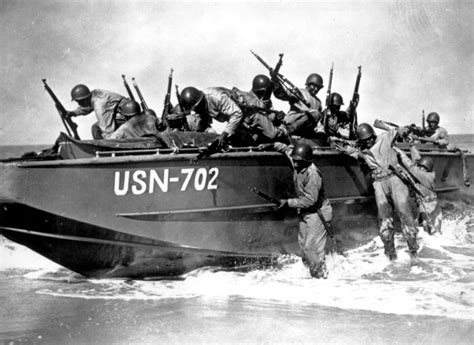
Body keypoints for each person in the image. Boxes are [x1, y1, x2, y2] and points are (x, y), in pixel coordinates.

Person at [334, 122, 419, 264]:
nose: (368, 142)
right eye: (364, 141)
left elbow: (400, 131)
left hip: (395, 179)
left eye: (369, 138)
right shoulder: (362, 150)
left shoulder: (385, 137)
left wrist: (409, 128)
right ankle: (391, 256)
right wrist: (342, 146)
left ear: (373, 135)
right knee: (385, 222)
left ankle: (414, 254)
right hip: (379, 183)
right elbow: (351, 151)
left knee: (406, 216)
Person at [264, 141, 332, 278]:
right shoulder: (297, 161)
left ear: (306, 161)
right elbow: (286, 149)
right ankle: (314, 275)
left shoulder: (313, 174)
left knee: (311, 248)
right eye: (294, 161)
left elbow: (310, 200)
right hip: (306, 212)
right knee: (303, 246)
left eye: (298, 162)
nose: (294, 164)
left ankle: (320, 278)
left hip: (318, 213)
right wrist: (269, 145)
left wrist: (287, 202)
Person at [392, 141, 442, 235]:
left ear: (426, 169)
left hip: (430, 206)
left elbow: (412, 167)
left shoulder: (426, 177)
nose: (420, 168)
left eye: (422, 167)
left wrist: (401, 153)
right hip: (424, 204)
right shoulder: (423, 173)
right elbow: (416, 161)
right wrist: (412, 146)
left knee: (434, 231)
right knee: (425, 226)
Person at [180, 86, 249, 148]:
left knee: (247, 142)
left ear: (199, 103)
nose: (195, 111)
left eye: (195, 109)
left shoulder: (217, 97)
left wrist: (224, 135)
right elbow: (203, 120)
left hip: (250, 112)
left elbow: (237, 113)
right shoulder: (201, 104)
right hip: (239, 119)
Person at [273, 73, 324, 138]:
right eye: (314, 86)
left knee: (316, 114)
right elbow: (283, 95)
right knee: (315, 113)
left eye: (318, 87)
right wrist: (275, 82)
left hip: (305, 129)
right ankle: (286, 130)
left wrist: (321, 133)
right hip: (292, 122)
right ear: (308, 84)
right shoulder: (299, 92)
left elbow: (319, 121)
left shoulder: (318, 102)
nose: (316, 89)